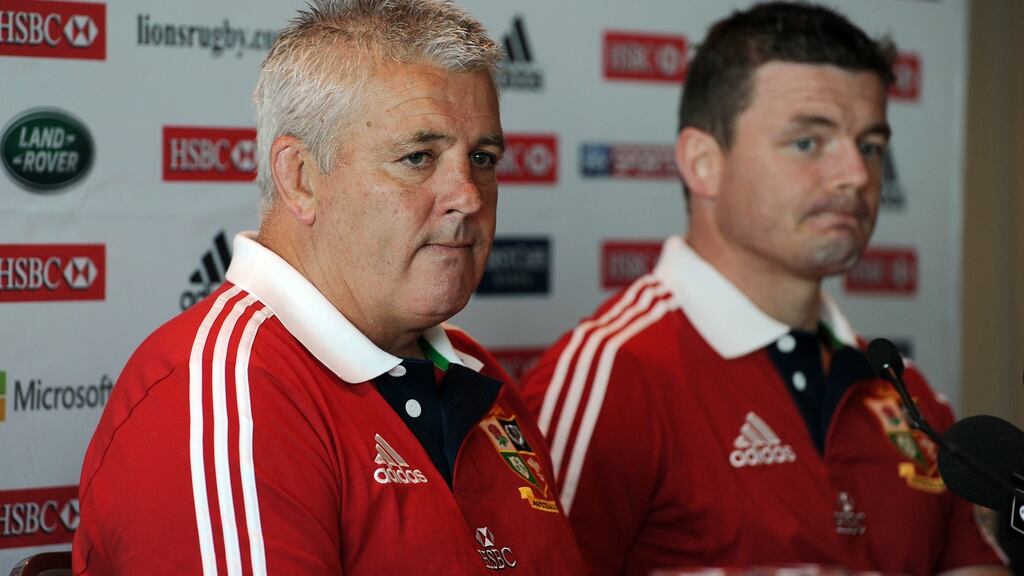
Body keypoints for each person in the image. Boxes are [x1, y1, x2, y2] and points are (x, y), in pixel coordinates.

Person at [73, 1, 584, 573]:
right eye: (418, 157)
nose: (468, 195)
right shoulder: (220, 394)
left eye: (483, 158)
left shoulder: (478, 371)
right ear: (299, 178)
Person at [521, 3, 1007, 575]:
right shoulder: (613, 372)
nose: (856, 175)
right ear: (703, 163)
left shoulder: (909, 396)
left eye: (871, 146)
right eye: (808, 142)